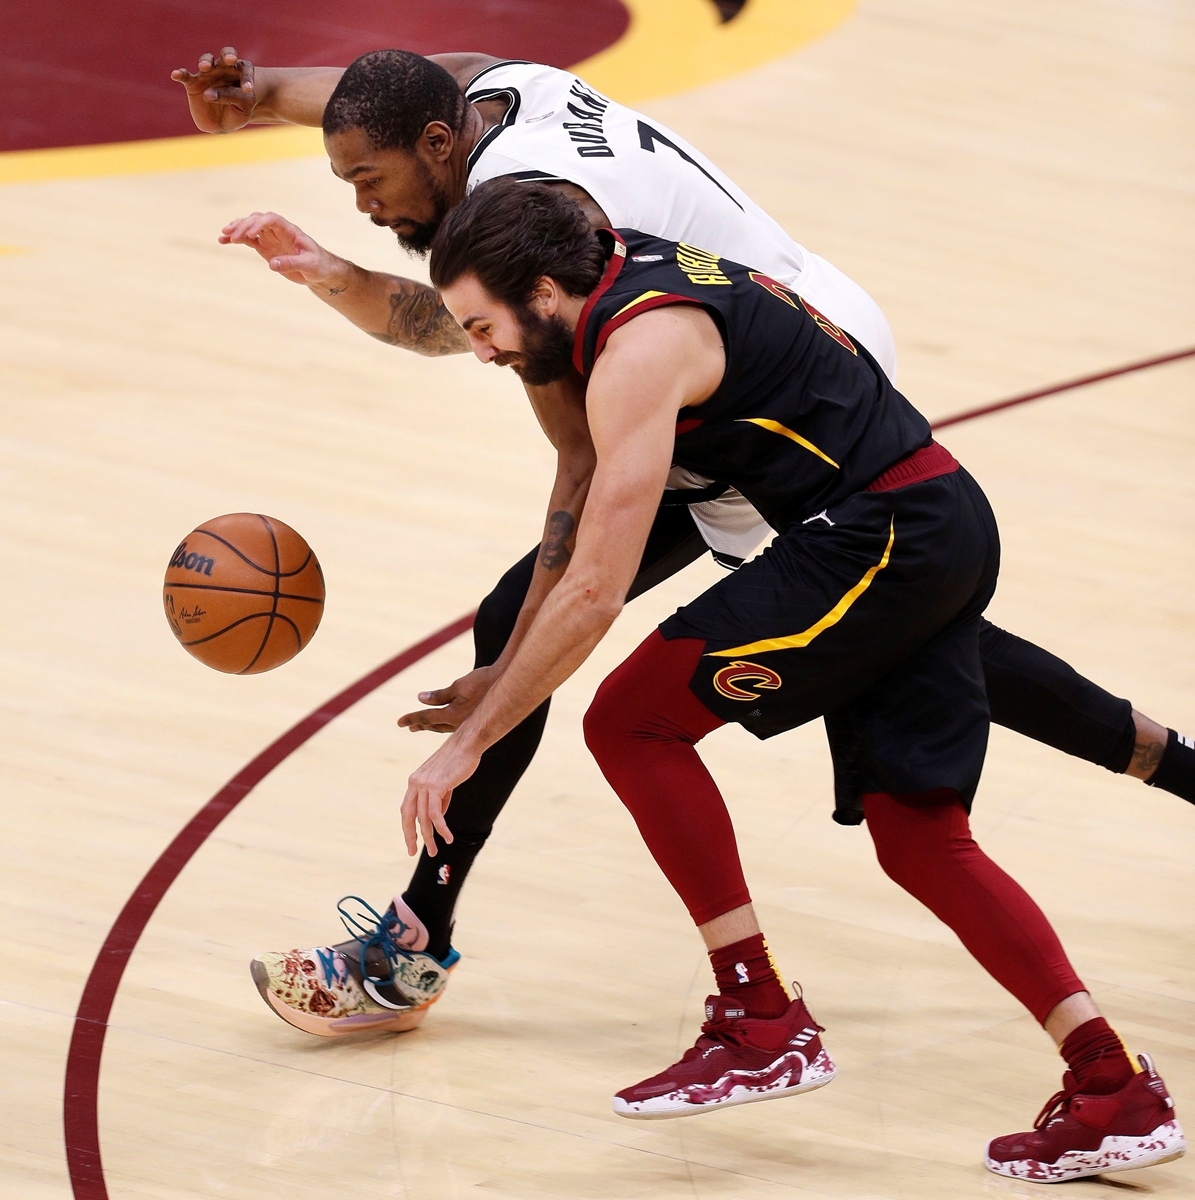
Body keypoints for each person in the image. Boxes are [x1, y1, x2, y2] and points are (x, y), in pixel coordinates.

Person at [171, 48, 1195, 1037]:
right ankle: (1183, 769)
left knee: (850, 643)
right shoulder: (498, 93)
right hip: (793, 325)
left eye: (369, 178)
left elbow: (515, 402)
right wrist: (263, 92)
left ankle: (409, 953)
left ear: (441, 144)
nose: (364, 201)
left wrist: (485, 715)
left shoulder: (532, 239)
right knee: (906, 634)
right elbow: (419, 73)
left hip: (751, 401)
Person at [400, 176, 1186, 1181]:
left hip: (875, 536)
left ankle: (758, 1016)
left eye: (483, 325)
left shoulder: (636, 351)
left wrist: (471, 745)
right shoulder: (617, 262)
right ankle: (1110, 1085)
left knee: (629, 722)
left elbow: (598, 587)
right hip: (929, 517)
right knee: (920, 840)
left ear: (547, 293)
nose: (481, 350)